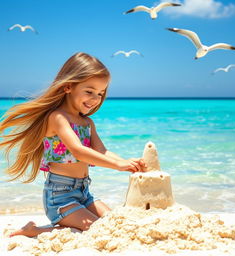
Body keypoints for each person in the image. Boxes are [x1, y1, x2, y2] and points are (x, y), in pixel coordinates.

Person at [0, 52, 146, 237]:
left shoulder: (87, 123)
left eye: (100, 94)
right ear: (68, 86)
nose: (95, 99)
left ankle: (46, 228)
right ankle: (34, 230)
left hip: (84, 193)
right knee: (101, 230)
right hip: (60, 197)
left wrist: (127, 163)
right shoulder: (57, 117)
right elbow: (78, 151)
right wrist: (117, 166)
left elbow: (101, 151)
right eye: (89, 91)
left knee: (116, 222)